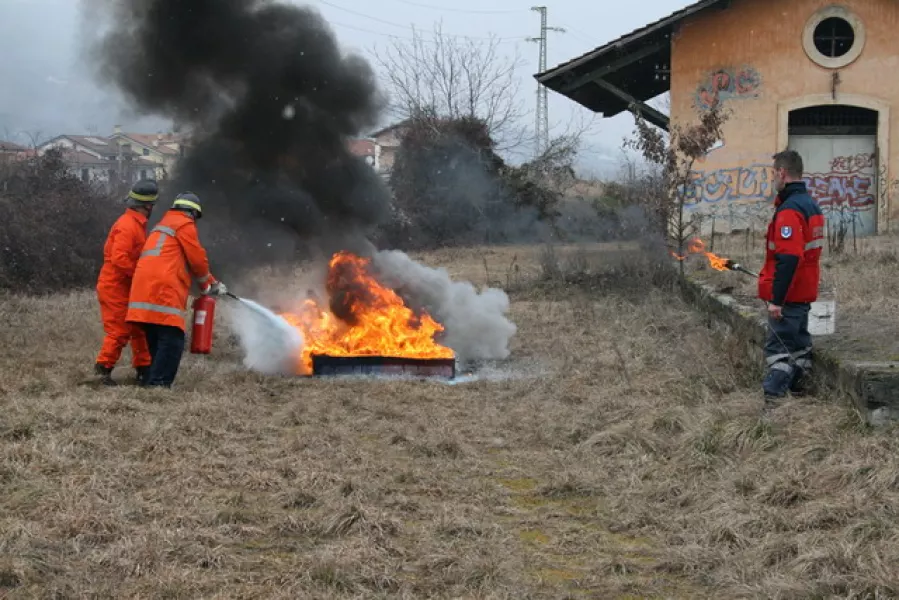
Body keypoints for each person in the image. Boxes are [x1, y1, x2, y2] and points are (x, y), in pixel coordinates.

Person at [126, 191, 227, 388]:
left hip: (144, 288)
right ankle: (159, 384)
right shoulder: (184, 224)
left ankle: (151, 379)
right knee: (172, 339)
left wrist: (211, 282)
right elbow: (197, 258)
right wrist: (209, 285)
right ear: (192, 213)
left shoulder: (162, 225)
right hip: (163, 288)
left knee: (155, 336)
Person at [757, 149, 825, 410]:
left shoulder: (789, 210)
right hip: (805, 291)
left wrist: (776, 300)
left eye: (774, 173)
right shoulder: (811, 205)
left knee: (779, 353)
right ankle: (800, 398)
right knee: (799, 350)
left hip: (789, 296)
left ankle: (772, 407)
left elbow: (789, 258)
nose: (773, 178)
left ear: (782, 173)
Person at [94, 179, 159, 386]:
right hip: (115, 286)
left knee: (139, 328)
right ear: (147, 206)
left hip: (126, 286)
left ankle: (144, 369)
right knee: (119, 331)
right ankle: (102, 370)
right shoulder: (127, 226)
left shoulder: (136, 224)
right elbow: (119, 258)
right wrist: (139, 275)